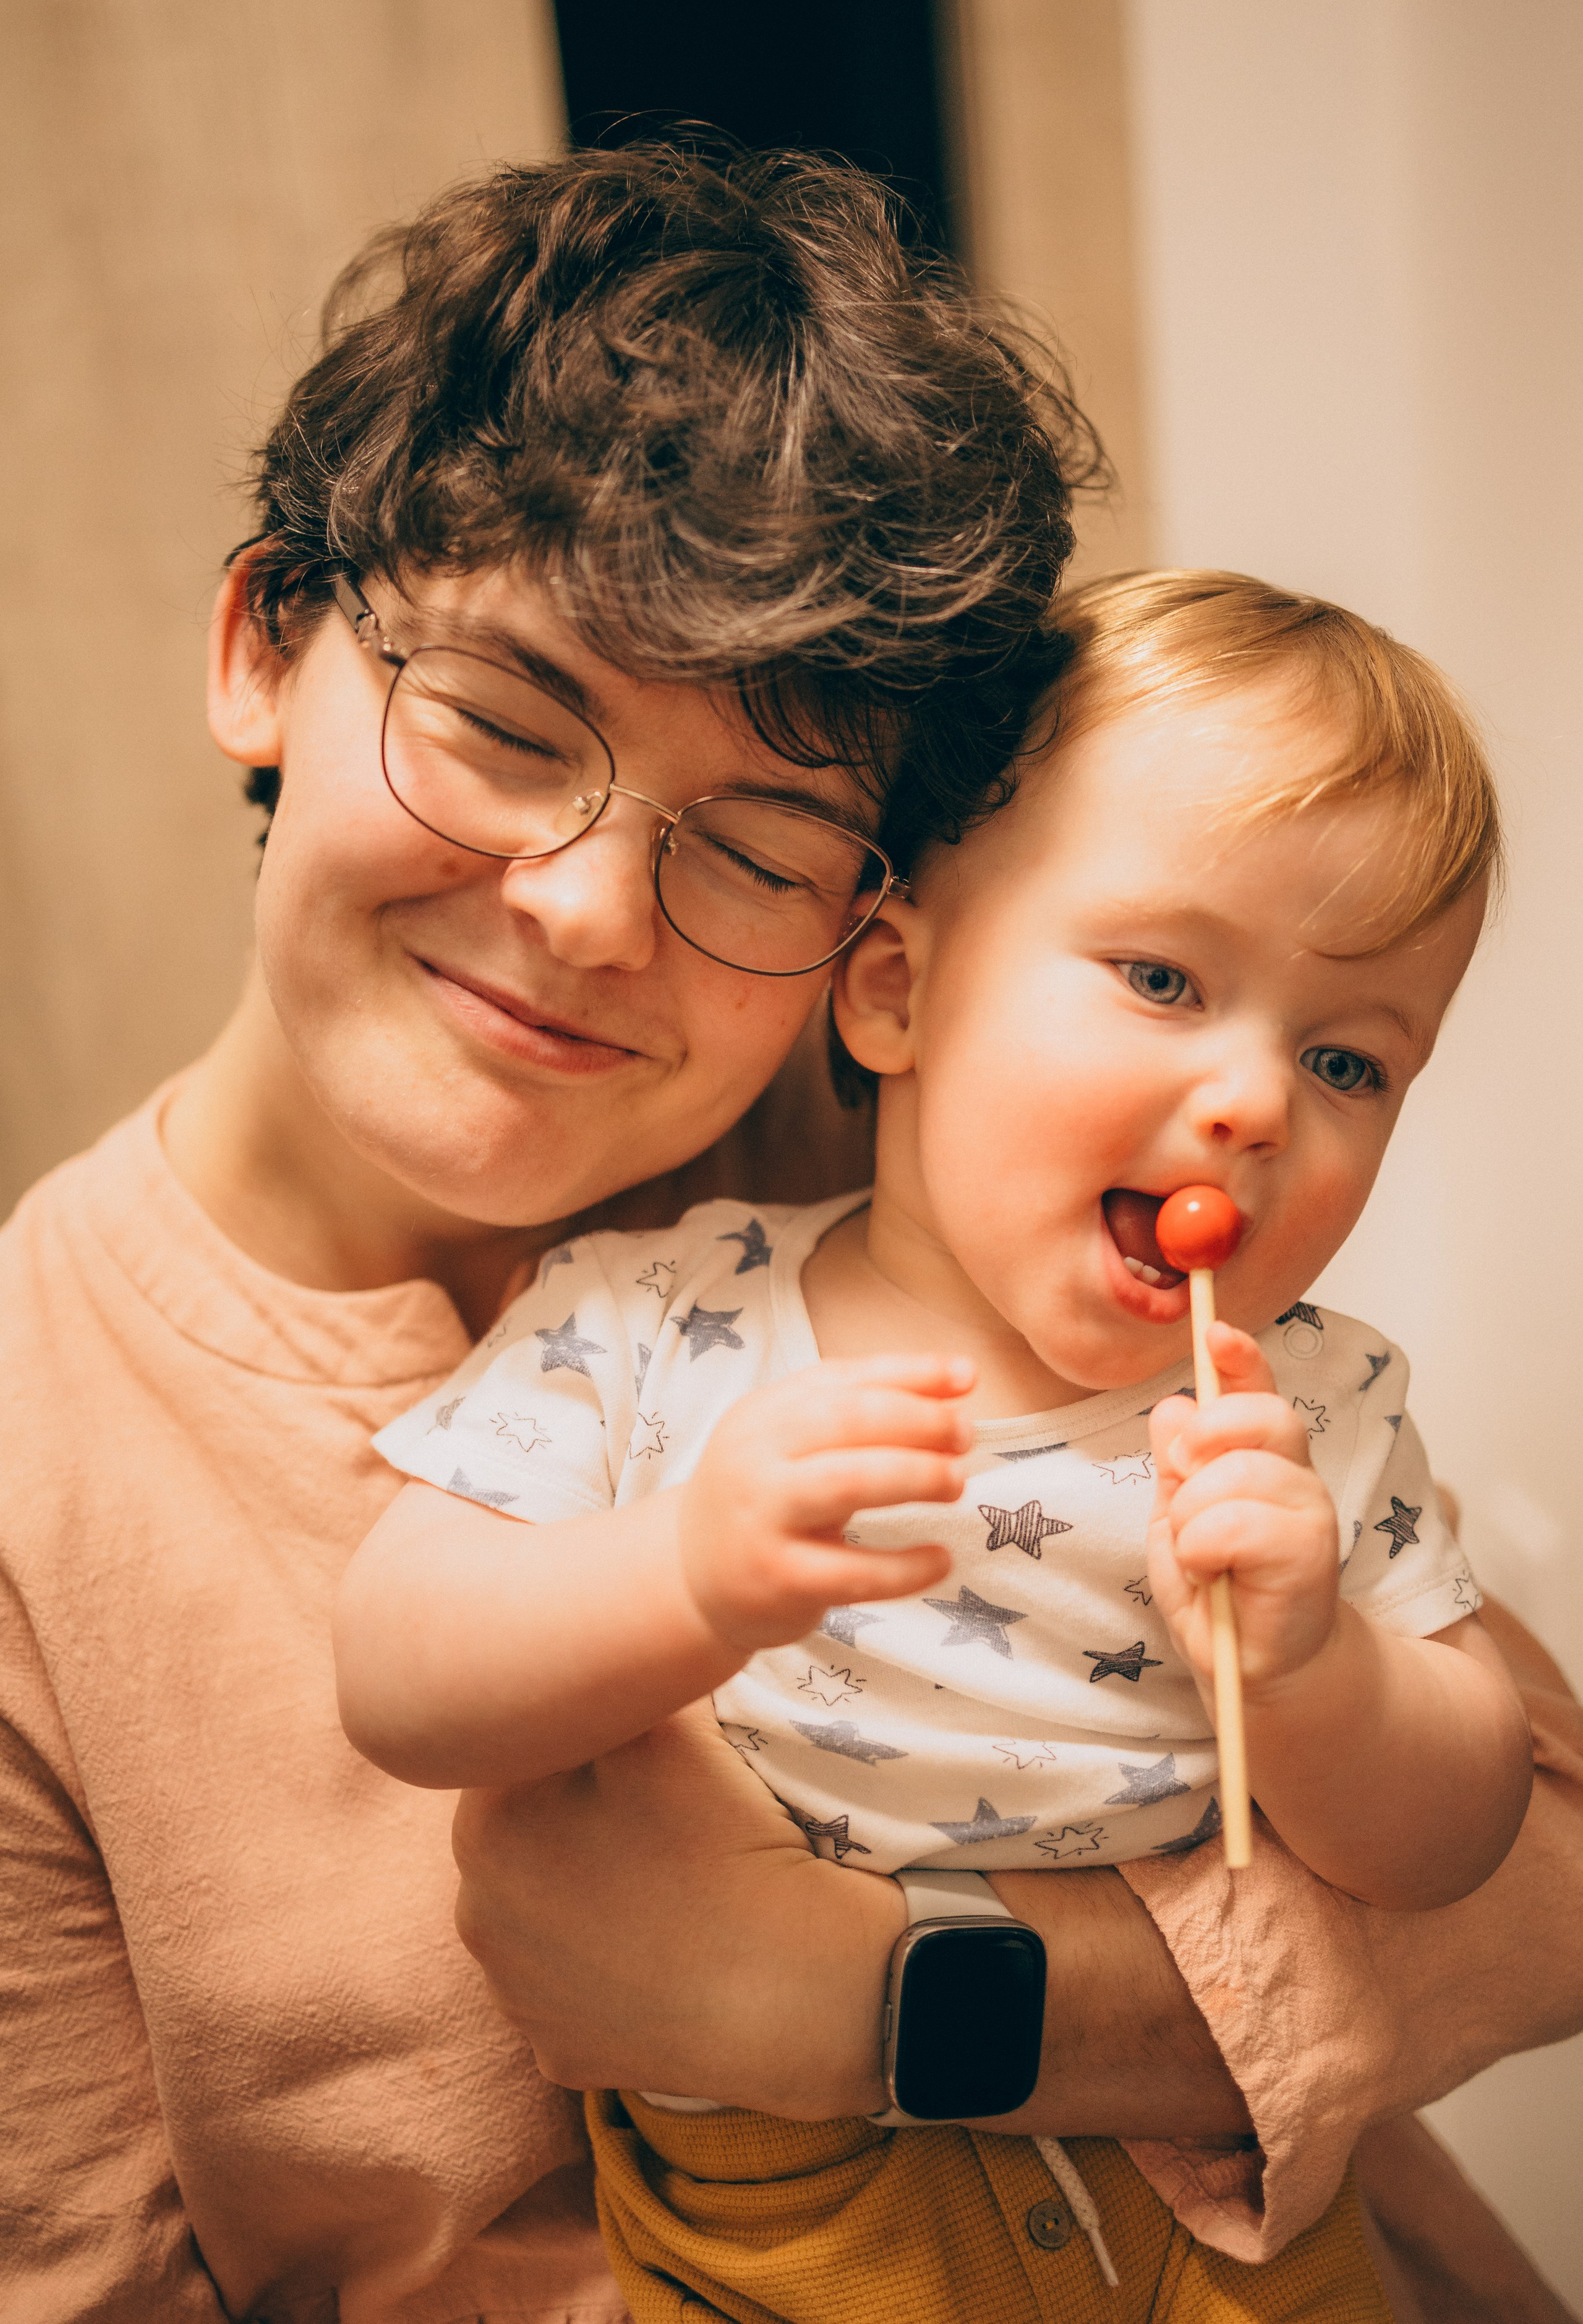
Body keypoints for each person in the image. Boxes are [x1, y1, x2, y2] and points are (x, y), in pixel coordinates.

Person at [0, 141, 1577, 2324]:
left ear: (876, 941)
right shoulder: (51, 1454)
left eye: (756, 843)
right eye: (495, 720)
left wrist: (860, 2001)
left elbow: (1546, 1869)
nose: (581, 906)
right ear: (271, 642)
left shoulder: (974, 1177)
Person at [335, 570, 1532, 2321]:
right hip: (789, 2220)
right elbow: (397, 1670)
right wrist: (681, 1573)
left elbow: (1467, 1828)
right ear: (892, 985)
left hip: (1226, 2208)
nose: (1259, 1100)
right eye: (1161, 974)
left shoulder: (1310, 1405)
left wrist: (1321, 1670)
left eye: (1350, 1062)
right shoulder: (664, 1315)